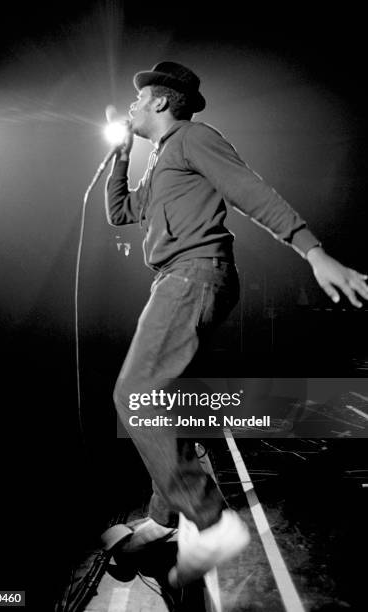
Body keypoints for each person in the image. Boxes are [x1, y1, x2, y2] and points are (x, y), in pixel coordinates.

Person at [102, 61, 368, 587]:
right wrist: (120, 156)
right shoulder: (158, 162)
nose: (129, 109)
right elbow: (120, 213)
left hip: (194, 277)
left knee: (134, 394)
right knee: (160, 399)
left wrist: (312, 251)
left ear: (159, 102)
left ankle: (211, 522)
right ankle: (162, 517)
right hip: (177, 280)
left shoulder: (194, 138)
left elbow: (249, 190)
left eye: (136, 102)